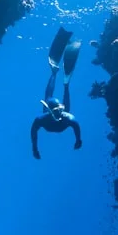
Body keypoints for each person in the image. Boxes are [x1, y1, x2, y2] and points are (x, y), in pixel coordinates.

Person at [31, 26, 82, 159]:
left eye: (60, 111)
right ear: (49, 111)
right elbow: (33, 131)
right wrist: (34, 148)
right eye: (57, 111)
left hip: (57, 118)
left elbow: (76, 128)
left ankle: (61, 81)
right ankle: (60, 79)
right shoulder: (41, 119)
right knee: (49, 97)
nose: (59, 114)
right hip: (50, 114)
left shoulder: (68, 117)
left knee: (53, 99)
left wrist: (78, 140)